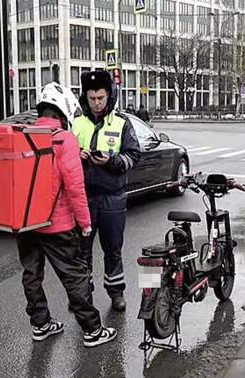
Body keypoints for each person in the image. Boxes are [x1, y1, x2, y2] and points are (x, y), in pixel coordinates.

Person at [16, 82, 117, 347]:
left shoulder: (23, 135)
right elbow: (75, 187)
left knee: (31, 275)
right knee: (75, 277)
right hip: (57, 225)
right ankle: (92, 330)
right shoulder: (64, 139)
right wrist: (85, 223)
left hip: (26, 223)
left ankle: (40, 324)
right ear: (63, 112)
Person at [72, 70, 141, 312]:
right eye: (92, 98)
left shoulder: (121, 123)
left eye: (100, 97)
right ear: (85, 97)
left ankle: (116, 293)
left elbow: (134, 155)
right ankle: (83, 295)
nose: (96, 103)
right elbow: (63, 156)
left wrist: (111, 161)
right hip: (84, 198)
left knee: (113, 249)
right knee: (82, 251)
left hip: (113, 198)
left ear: (109, 95)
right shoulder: (76, 123)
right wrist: (77, 155)